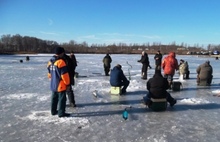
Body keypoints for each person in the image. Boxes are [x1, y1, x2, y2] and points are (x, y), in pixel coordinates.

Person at [47, 47, 70, 117]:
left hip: (53, 84)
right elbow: (64, 75)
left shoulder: (50, 61)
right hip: (60, 85)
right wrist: (67, 84)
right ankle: (61, 113)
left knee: (54, 98)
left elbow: (49, 74)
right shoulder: (61, 62)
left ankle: (53, 111)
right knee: (62, 99)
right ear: (61, 53)